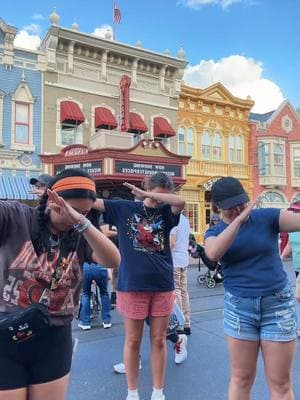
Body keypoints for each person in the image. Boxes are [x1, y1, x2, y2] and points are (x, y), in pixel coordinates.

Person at [0, 168, 120, 400]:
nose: (77, 218)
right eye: (74, 210)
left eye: (85, 213)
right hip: (6, 333)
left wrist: (81, 221)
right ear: (53, 201)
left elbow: (112, 260)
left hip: (54, 335)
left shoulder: (80, 232)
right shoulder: (15, 216)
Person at [93, 172, 185, 400]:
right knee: (133, 340)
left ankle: (158, 391)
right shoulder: (124, 208)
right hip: (132, 284)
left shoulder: (166, 212)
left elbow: (181, 202)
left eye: (162, 196)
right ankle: (132, 392)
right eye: (155, 194)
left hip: (162, 284)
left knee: (159, 338)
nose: (157, 200)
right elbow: (93, 201)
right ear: (146, 187)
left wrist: (151, 195)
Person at [204, 176, 297, 400]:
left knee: (281, 382)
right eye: (230, 207)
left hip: (277, 306)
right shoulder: (214, 233)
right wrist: (238, 220)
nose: (238, 209)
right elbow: (213, 253)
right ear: (217, 207)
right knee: (242, 378)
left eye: (241, 203)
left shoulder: (267, 217)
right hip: (240, 309)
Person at [170, 213, 191, 335]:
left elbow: (171, 243)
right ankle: (187, 323)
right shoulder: (185, 220)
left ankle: (180, 324)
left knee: (176, 290)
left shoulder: (173, 220)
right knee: (184, 291)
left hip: (175, 260)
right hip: (184, 259)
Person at [78, 262, 112, 330]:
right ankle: (106, 321)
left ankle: (85, 322)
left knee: (86, 294)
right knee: (104, 293)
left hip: (86, 267)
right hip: (100, 265)